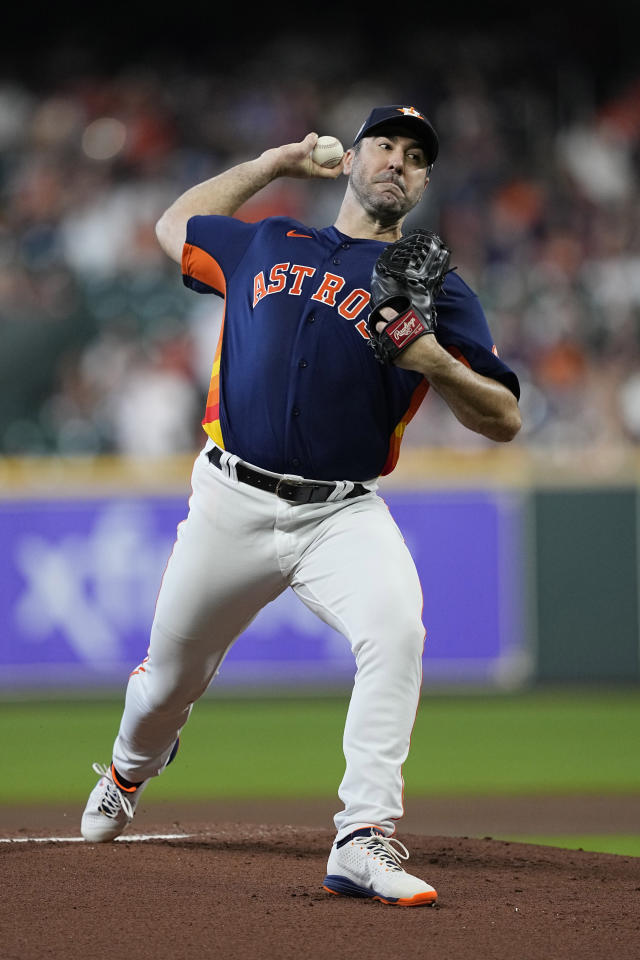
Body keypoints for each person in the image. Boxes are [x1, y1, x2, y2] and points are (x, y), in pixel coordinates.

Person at [80, 104, 521, 906]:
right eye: (384, 144)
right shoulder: (270, 240)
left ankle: (363, 837)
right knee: (165, 685)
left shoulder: (440, 291)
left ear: (423, 182)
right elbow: (173, 224)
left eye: (416, 156)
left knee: (397, 632)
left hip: (341, 515)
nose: (398, 160)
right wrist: (275, 162)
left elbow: (505, 418)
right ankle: (126, 771)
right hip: (228, 497)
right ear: (351, 158)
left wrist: (437, 362)